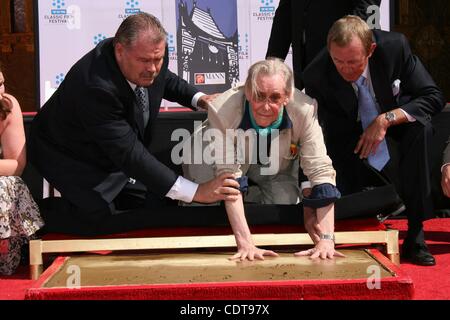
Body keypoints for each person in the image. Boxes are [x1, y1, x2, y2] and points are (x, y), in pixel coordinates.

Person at [29, 12, 240, 235]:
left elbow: (165, 79)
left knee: (153, 200)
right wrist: (197, 192)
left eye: (157, 60)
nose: (152, 68)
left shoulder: (151, 53)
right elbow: (129, 154)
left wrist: (199, 99)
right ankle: (37, 215)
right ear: (120, 51)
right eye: (145, 61)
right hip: (64, 152)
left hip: (109, 149)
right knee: (98, 222)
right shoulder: (95, 87)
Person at [303, 16, 446, 266]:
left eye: (353, 62)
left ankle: (416, 234)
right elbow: (316, 131)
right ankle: (352, 225)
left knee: (421, 131)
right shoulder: (317, 73)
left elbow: (433, 97)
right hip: (347, 132)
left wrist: (384, 120)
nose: (346, 69)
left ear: (371, 50)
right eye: (338, 61)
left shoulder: (395, 48)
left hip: (395, 122)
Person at [183, 59, 343, 261]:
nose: (266, 106)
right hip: (208, 153)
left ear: (287, 97)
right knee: (203, 209)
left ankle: (249, 194)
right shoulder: (222, 109)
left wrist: (327, 240)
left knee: (284, 202)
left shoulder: (306, 109)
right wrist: (246, 244)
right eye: (259, 96)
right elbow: (227, 177)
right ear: (248, 92)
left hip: (273, 163)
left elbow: (320, 171)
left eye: (275, 98)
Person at [266, 0, 381, 89]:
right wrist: (273, 61)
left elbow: (366, 7)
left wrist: (340, 53)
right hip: (305, 68)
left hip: (344, 67)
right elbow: (285, 13)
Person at [0, 64, 44, 275]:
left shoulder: (7, 104)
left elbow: (16, 165)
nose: (0, 91)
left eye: (1, 83)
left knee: (7, 184)